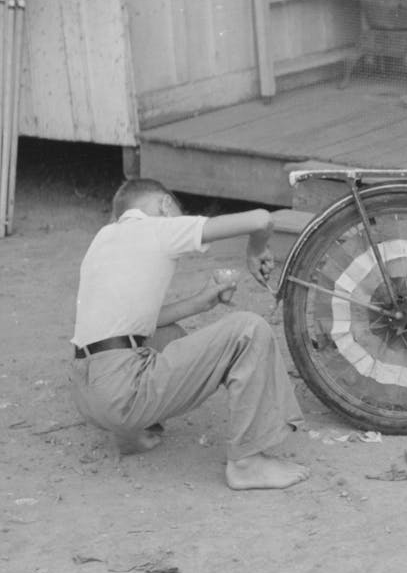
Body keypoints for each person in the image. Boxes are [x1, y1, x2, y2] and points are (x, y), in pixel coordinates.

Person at [69, 178, 310, 490]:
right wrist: (256, 249)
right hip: (122, 391)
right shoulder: (158, 227)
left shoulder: (103, 238)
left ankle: (128, 434)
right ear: (165, 206)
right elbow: (262, 219)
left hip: (87, 392)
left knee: (151, 334)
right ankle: (247, 463)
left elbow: (137, 324)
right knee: (249, 330)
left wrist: (200, 301)